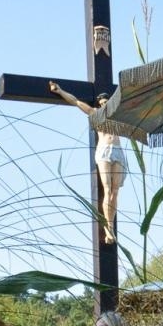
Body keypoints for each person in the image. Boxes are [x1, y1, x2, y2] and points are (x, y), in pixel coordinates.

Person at [49, 81, 126, 241]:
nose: (104, 105)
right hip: (104, 150)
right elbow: (76, 101)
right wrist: (60, 91)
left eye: (106, 102)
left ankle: (110, 225)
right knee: (106, 188)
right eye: (102, 103)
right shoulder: (95, 114)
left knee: (115, 191)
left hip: (118, 151)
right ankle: (108, 228)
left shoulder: (118, 117)